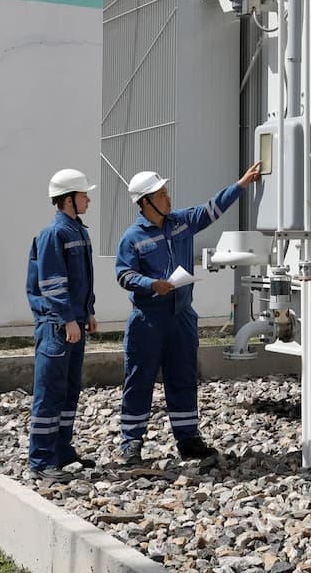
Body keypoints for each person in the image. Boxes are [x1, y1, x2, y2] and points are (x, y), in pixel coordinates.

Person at [115, 161, 263, 462]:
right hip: (149, 320)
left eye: (166, 192)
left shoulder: (180, 222)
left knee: (183, 376)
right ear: (145, 203)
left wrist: (241, 184)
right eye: (161, 195)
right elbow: (123, 275)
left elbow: (211, 209)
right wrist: (151, 284)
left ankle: (188, 439)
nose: (168, 198)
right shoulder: (132, 238)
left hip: (181, 316)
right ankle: (131, 443)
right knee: (139, 378)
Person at [25, 168, 99, 482]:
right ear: (68, 199)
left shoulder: (77, 231)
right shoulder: (54, 234)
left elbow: (82, 279)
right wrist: (69, 319)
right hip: (57, 326)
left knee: (69, 390)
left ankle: (62, 451)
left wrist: (88, 312)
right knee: (50, 392)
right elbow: (53, 284)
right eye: (83, 195)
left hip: (74, 323)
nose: (88, 199)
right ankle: (41, 461)